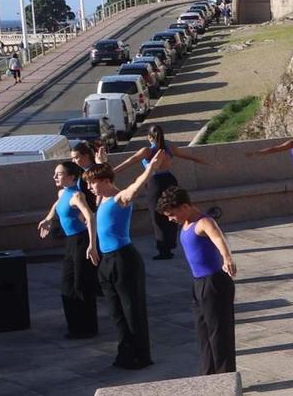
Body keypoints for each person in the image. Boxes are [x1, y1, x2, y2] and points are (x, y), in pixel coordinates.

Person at [84, 155, 167, 370]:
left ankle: (141, 356)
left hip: (124, 259)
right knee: (116, 312)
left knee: (132, 311)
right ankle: (125, 354)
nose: (89, 187)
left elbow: (136, 185)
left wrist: (150, 168)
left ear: (105, 181)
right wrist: (92, 245)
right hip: (106, 261)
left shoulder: (120, 198)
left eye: (92, 183)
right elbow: (93, 219)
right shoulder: (100, 199)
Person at [156, 187, 238, 376]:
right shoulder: (186, 223)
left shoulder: (204, 222)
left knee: (219, 333)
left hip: (215, 282)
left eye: (171, 214)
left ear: (184, 206)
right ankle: (208, 373)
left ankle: (225, 376)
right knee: (203, 332)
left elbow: (218, 238)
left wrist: (227, 258)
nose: (170, 219)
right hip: (199, 283)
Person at [34, 160, 100, 339]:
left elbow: (91, 217)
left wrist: (92, 246)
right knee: (67, 285)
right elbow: (57, 205)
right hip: (70, 243)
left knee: (81, 284)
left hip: (81, 241)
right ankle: (75, 327)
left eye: (59, 173)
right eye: (55, 173)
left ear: (71, 177)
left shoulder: (77, 195)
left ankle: (88, 328)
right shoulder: (63, 192)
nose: (55, 176)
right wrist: (48, 218)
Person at [135, 125, 207, 260]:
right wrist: (204, 161)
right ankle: (171, 244)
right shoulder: (169, 148)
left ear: (149, 137)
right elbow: (188, 156)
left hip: (154, 182)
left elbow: (129, 162)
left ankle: (163, 249)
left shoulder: (147, 151)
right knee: (174, 211)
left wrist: (112, 170)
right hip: (169, 179)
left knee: (157, 215)